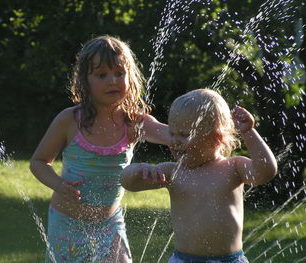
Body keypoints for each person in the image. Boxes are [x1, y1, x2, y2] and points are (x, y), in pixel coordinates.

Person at [30, 35, 170, 263]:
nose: (112, 81)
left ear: (130, 77)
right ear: (85, 81)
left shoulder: (134, 122)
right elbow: (38, 162)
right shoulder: (69, 120)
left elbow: (170, 134)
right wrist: (59, 185)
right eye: (102, 75)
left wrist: (199, 126)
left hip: (109, 223)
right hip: (66, 224)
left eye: (119, 73)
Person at [121, 89, 278, 263]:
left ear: (216, 139)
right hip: (184, 259)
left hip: (229, 260)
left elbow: (265, 172)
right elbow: (128, 182)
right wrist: (140, 169)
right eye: (172, 133)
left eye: (184, 135)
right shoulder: (174, 171)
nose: (174, 141)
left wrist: (249, 132)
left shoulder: (233, 167)